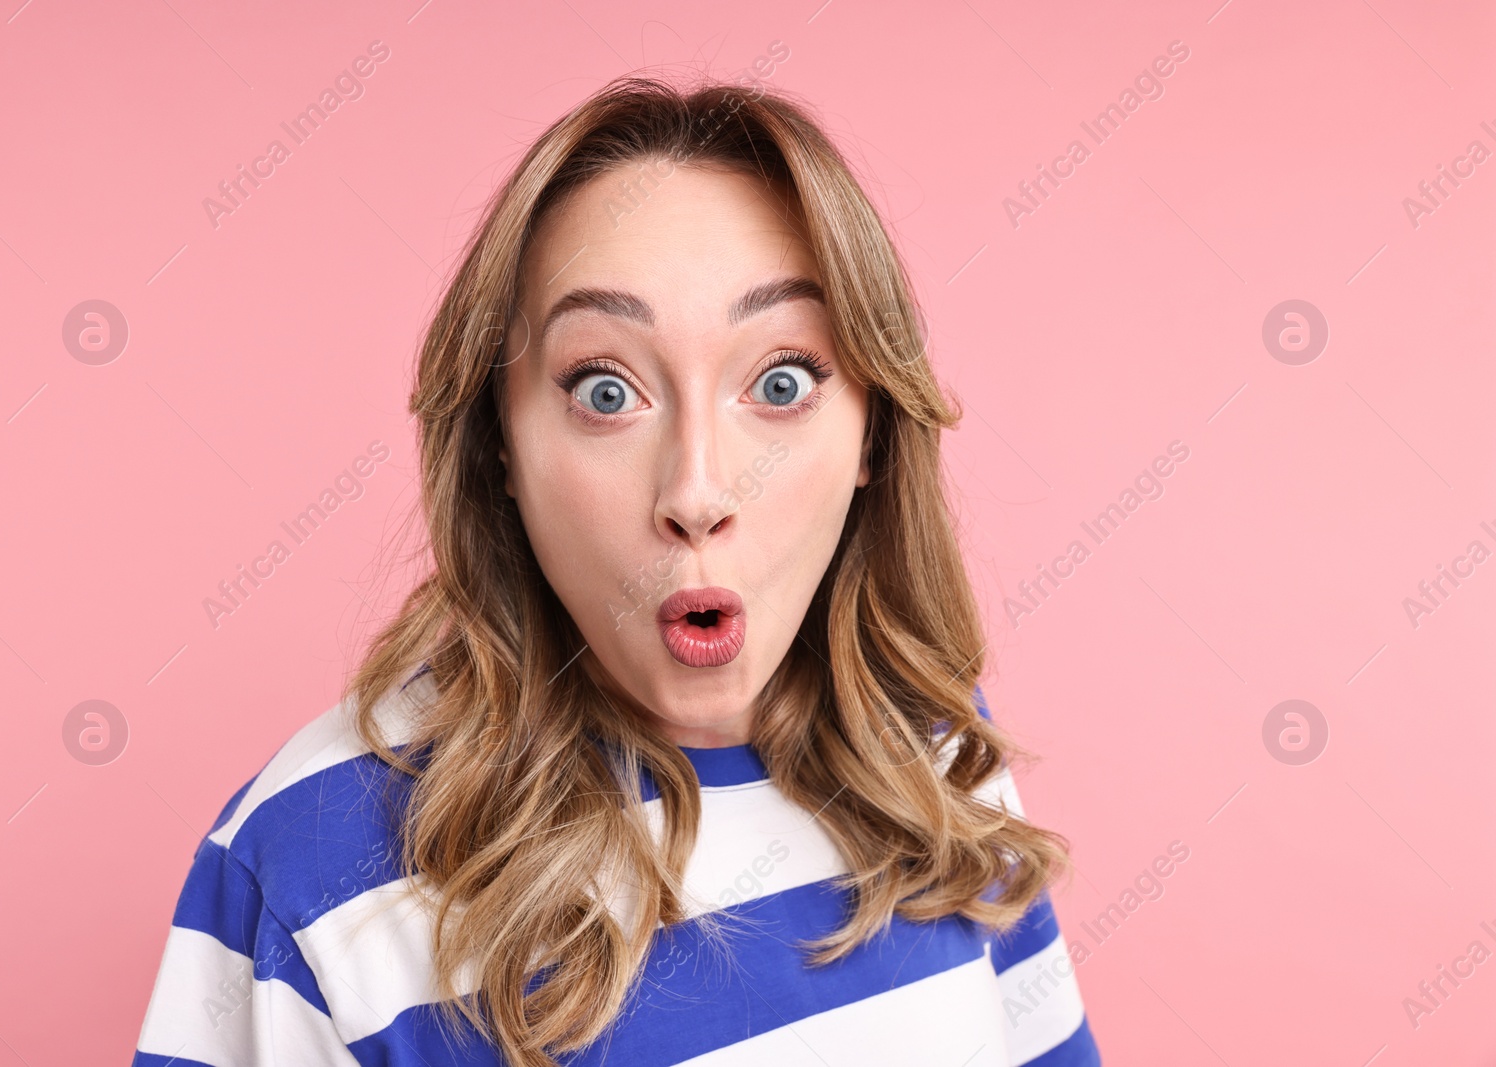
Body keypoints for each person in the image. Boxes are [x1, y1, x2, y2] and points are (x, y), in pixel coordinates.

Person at [130, 75, 1101, 1067]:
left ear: (871, 433)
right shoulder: (309, 857)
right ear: (499, 445)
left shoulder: (933, 748)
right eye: (606, 390)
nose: (697, 488)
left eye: (780, 382)